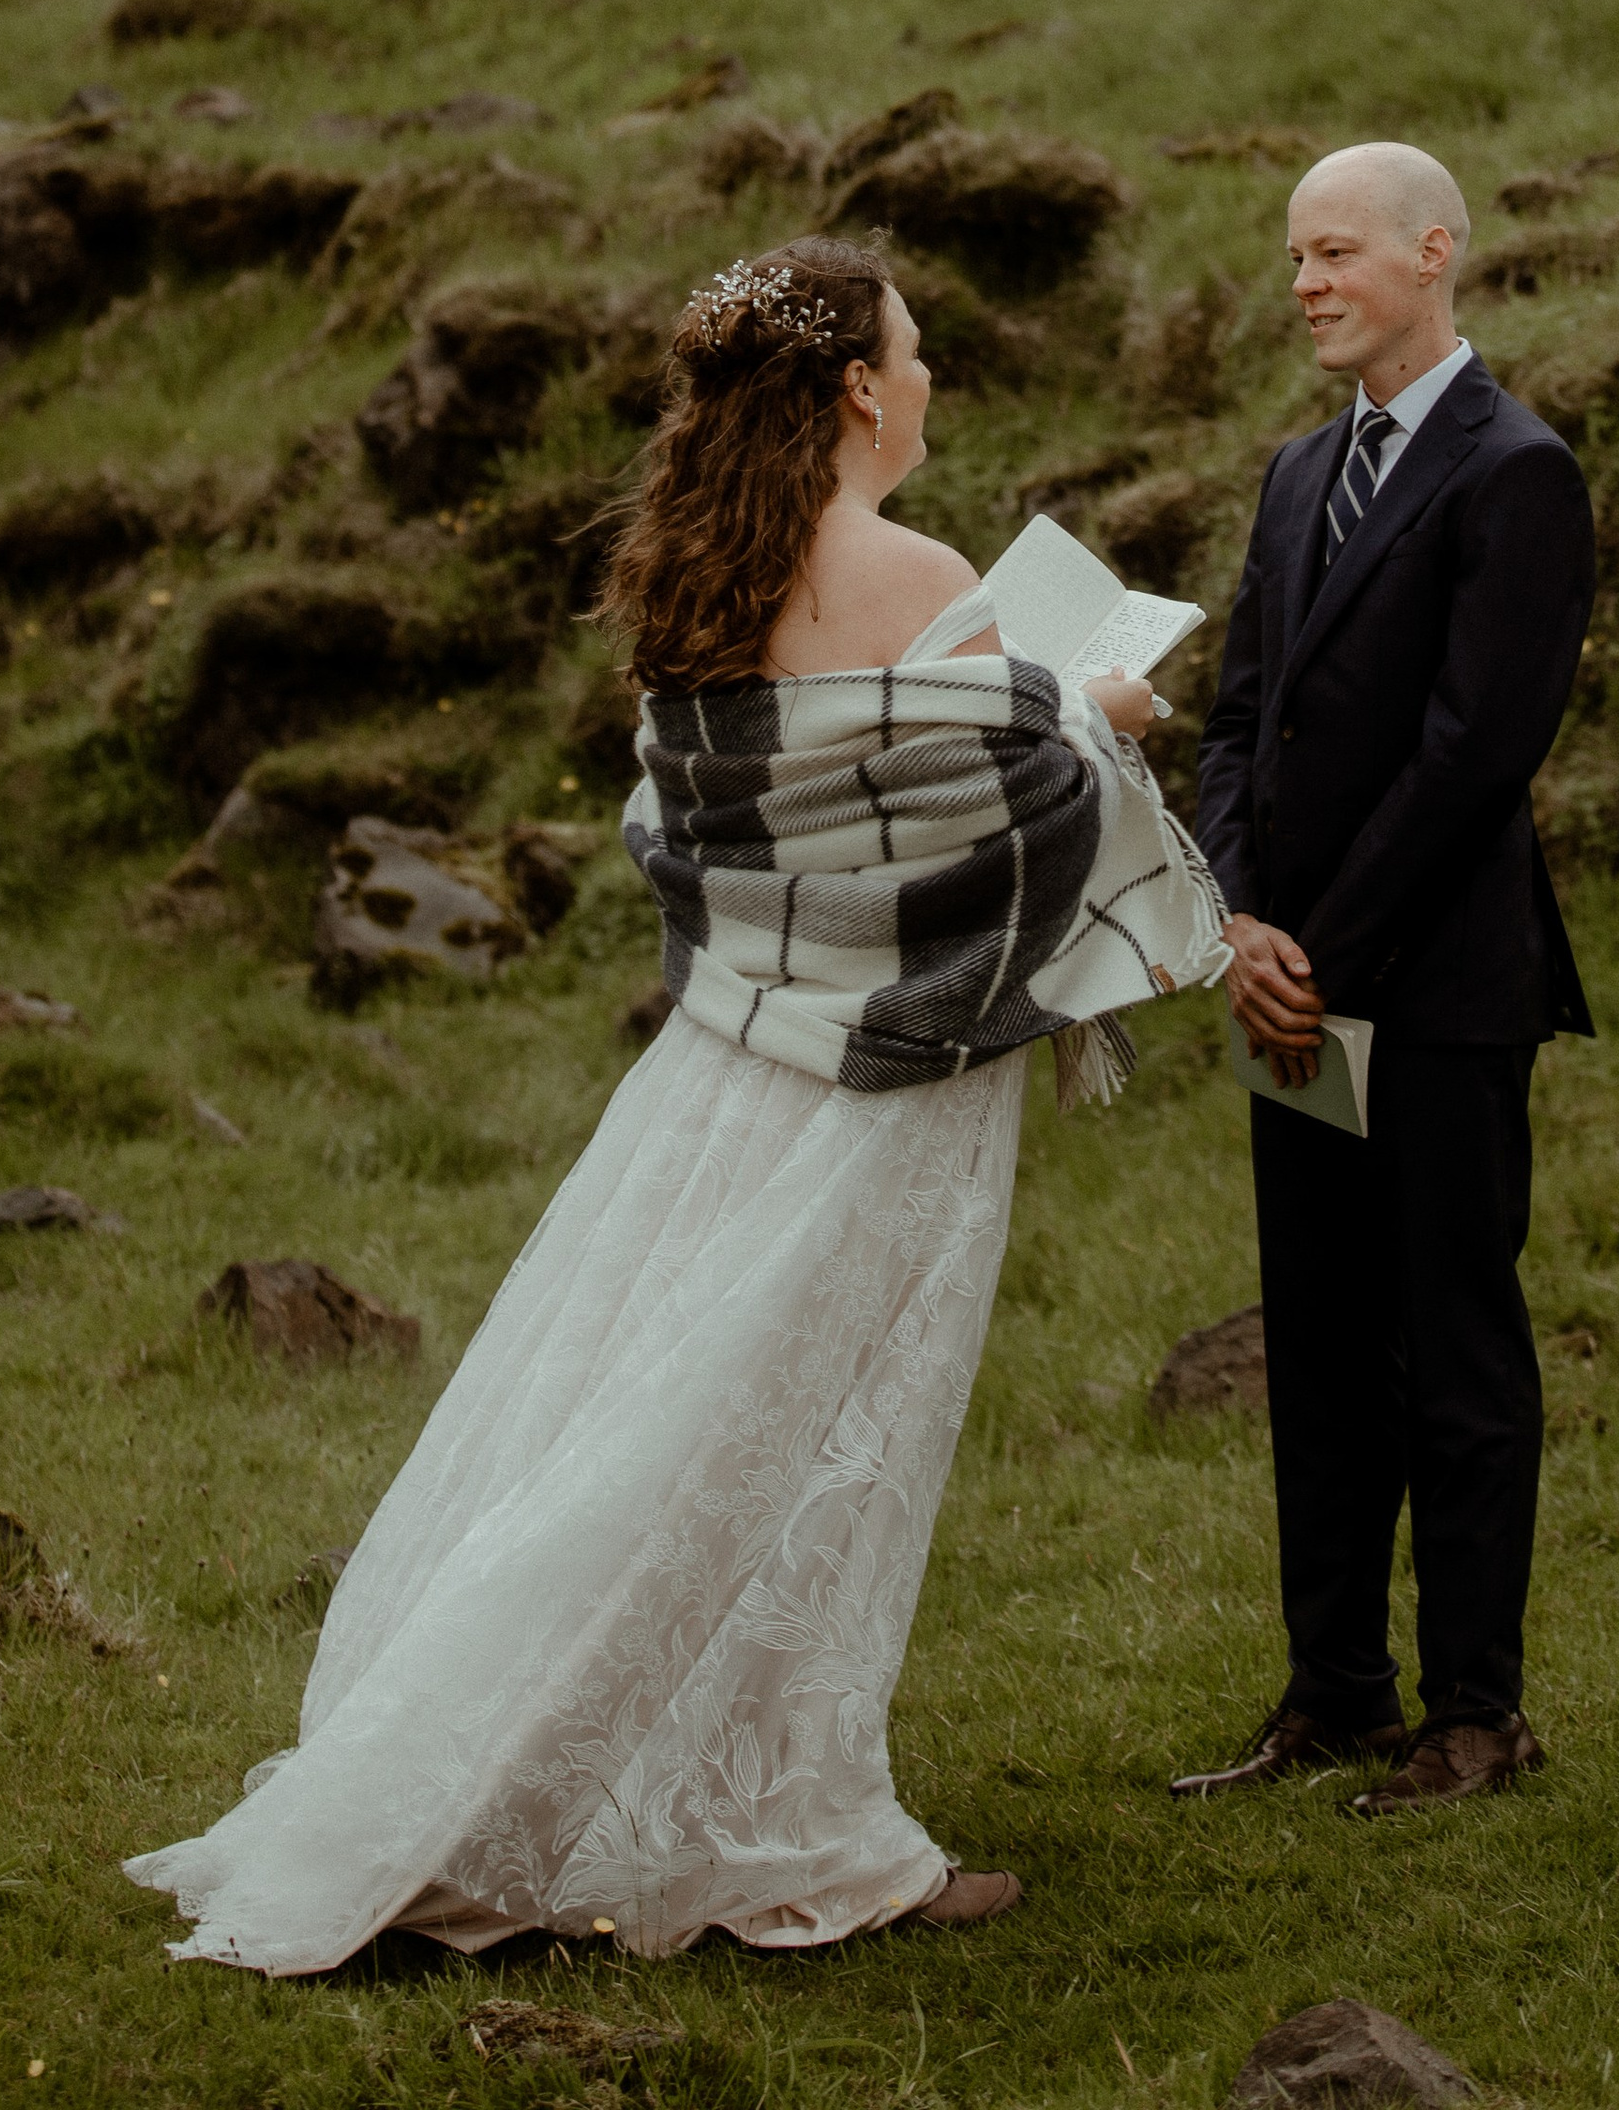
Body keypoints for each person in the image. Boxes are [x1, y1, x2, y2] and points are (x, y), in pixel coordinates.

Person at [125, 234, 1229, 1971]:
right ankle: (788, 1827)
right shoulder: (915, 567)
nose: (932, 381)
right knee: (820, 1440)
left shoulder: (696, 569)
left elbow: (748, 823)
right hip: (883, 1088)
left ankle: (534, 1766)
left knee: (638, 1392)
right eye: (916, 353)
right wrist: (1094, 708)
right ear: (860, 386)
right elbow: (1000, 816)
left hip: (723, 1057)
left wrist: (1039, 713)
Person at [1171, 142, 1594, 1816]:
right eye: (1292, 260)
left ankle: (1477, 1717)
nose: (1306, 285)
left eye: (1335, 252)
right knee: (1325, 1349)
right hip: (1297, 994)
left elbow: (1475, 755)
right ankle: (1334, 1694)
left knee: (1456, 1353)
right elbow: (1229, 724)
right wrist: (1239, 923)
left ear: (1434, 252)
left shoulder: (1519, 471)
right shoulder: (1293, 474)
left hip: (1442, 995)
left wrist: (1316, 954)